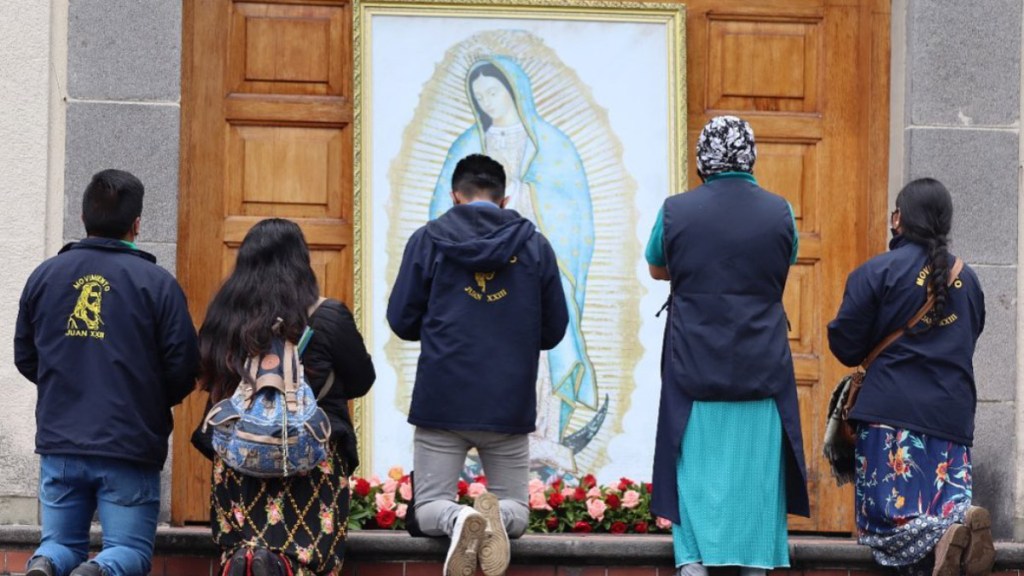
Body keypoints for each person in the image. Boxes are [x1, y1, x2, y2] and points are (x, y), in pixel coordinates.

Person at [389, 154, 568, 576]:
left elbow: (401, 320)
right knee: (518, 513)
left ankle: (459, 520)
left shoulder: (428, 240)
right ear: (504, 199)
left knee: (430, 505)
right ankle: (493, 518)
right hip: (507, 403)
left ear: (455, 196)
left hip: (443, 400)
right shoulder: (534, 246)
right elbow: (554, 329)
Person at [14, 169, 200, 576]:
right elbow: (185, 367)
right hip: (129, 444)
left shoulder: (45, 277)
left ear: (83, 218)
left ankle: (43, 566)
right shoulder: (158, 284)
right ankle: (96, 572)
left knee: (59, 543)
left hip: (60, 440)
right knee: (129, 551)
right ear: (136, 224)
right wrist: (146, 396)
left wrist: (65, 384)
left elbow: (26, 357)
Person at [646, 116, 809, 576]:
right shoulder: (779, 211)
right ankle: (755, 565)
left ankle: (694, 563)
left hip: (693, 362)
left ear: (704, 158)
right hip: (761, 364)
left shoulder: (676, 210)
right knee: (755, 476)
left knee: (695, 469)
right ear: (750, 155)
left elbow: (657, 267)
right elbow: (786, 259)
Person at [429, 56, 596, 470]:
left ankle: (542, 437)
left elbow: (575, 217)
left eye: (494, 91)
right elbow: (440, 218)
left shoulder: (551, 143)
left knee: (537, 357)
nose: (488, 101)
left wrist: (525, 193)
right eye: (480, 95)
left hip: (530, 274)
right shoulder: (467, 145)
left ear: (514, 90)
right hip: (477, 284)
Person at [828, 178, 992, 576]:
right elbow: (969, 336)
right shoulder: (968, 281)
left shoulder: (877, 272)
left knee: (884, 524)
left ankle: (942, 535)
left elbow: (845, 345)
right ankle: (955, 528)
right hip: (952, 421)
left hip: (891, 421)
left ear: (898, 218)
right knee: (941, 537)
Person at [193, 218, 375, 576]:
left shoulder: (224, 316)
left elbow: (204, 375)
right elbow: (361, 380)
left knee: (241, 553)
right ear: (302, 262)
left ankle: (253, 561)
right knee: (307, 559)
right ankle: (279, 566)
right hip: (311, 459)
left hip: (238, 460)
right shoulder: (328, 315)